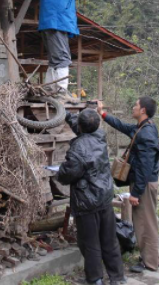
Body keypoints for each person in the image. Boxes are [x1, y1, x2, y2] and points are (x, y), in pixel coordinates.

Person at [57, 109, 126, 285]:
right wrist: (66, 114)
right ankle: (117, 278)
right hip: (104, 197)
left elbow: (67, 174)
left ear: (80, 127)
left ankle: (95, 279)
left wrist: (60, 172)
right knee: (109, 240)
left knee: (90, 243)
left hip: (87, 202)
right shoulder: (100, 136)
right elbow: (83, 126)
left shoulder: (78, 148)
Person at [96, 97, 159, 274]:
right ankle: (152, 257)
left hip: (144, 184)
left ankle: (150, 263)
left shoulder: (146, 134)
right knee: (147, 222)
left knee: (144, 224)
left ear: (143, 111)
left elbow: (145, 167)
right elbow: (122, 126)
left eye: (136, 106)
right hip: (143, 183)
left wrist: (136, 193)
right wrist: (103, 114)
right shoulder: (143, 128)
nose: (133, 107)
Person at [39, 0, 86, 102]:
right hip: (57, 20)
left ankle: (49, 90)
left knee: (55, 59)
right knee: (62, 58)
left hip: (54, 21)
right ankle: (61, 92)